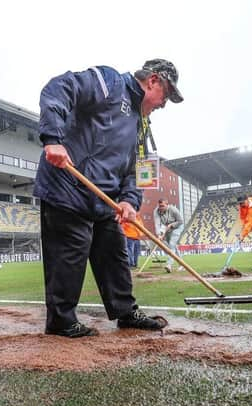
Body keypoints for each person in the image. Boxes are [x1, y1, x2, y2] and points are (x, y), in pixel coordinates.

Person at [34, 59, 183, 338]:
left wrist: (129, 201)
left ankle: (126, 312)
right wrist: (52, 138)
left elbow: (137, 172)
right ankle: (61, 321)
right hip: (68, 185)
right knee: (70, 254)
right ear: (153, 81)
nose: (164, 104)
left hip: (104, 198)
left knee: (114, 254)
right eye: (165, 95)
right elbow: (59, 88)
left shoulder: (142, 127)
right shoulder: (110, 82)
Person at [153, 199, 184, 273]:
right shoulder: (156, 211)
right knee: (173, 247)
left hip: (177, 227)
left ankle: (169, 265)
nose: (161, 208)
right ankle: (182, 264)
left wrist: (171, 225)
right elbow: (157, 224)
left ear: (167, 205)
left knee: (172, 244)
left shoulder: (173, 210)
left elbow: (181, 221)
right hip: (166, 228)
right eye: (159, 206)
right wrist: (159, 234)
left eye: (163, 206)